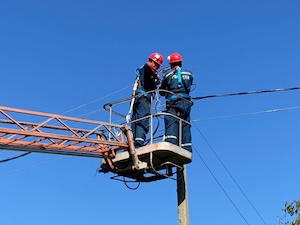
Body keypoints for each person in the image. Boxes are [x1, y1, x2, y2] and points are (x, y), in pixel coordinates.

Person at [159, 53, 193, 152]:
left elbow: (162, 92)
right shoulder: (189, 74)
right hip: (186, 103)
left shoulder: (169, 74)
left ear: (171, 64)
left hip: (173, 102)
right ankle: (186, 148)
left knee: (171, 121)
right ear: (181, 63)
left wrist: (163, 79)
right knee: (185, 123)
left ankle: (171, 145)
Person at [131, 53, 163, 148]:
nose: (157, 68)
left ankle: (134, 141)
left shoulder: (144, 72)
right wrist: (156, 75)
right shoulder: (147, 68)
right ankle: (138, 142)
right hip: (143, 99)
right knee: (142, 119)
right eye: (157, 65)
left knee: (136, 120)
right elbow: (148, 65)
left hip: (138, 98)